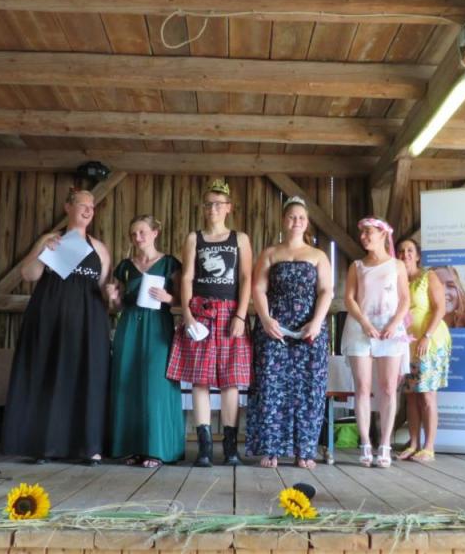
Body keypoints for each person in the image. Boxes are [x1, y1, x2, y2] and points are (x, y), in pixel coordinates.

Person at [2, 189, 111, 464]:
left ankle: (88, 447)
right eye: (82, 205)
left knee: (87, 377)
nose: (88, 210)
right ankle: (45, 446)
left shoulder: (100, 248)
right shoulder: (51, 239)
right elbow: (28, 274)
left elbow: (103, 290)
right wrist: (43, 252)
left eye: (91, 206)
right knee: (48, 375)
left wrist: (113, 295)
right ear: (68, 207)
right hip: (49, 317)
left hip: (88, 322)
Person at [167, 179, 252, 467]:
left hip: (230, 313)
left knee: (231, 381)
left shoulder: (240, 239)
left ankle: (230, 448)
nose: (213, 209)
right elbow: (187, 277)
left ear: (228, 208)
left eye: (218, 204)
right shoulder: (194, 238)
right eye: (208, 204)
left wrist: (241, 315)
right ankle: (204, 448)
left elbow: (246, 278)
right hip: (200, 312)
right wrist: (187, 314)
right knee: (199, 379)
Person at [245, 196, 332, 469]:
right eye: (292, 217)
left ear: (307, 223)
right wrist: (265, 319)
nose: (297, 221)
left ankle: (304, 451)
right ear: (284, 220)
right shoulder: (270, 253)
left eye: (301, 218)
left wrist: (316, 322)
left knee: (309, 389)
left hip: (309, 329)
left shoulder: (318, 256)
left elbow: (326, 291)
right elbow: (258, 288)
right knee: (270, 386)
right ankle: (270, 449)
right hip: (275, 328)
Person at [106, 215, 184, 467]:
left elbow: (183, 300)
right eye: (133, 234)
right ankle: (130, 447)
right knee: (127, 383)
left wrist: (168, 298)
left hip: (158, 325)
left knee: (156, 385)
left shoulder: (170, 264)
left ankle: (157, 449)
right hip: (129, 325)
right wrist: (113, 298)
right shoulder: (125, 266)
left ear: (155, 233)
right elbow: (118, 305)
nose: (137, 238)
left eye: (142, 232)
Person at [340, 217, 410, 468]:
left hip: (390, 329)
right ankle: (366, 443)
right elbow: (349, 298)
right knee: (362, 387)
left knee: (389, 388)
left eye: (369, 232)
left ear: (382, 234)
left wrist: (393, 324)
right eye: (362, 233)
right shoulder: (357, 266)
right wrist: (364, 322)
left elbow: (405, 299)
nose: (364, 237)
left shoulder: (397, 265)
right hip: (361, 329)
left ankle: (385, 444)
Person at [396, 239, 451, 463]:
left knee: (427, 394)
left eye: (410, 250)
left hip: (430, 342)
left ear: (418, 256)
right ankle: (413, 444)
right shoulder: (397, 280)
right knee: (411, 396)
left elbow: (440, 308)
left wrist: (426, 336)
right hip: (406, 345)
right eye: (401, 251)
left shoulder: (429, 276)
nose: (405, 254)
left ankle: (429, 447)